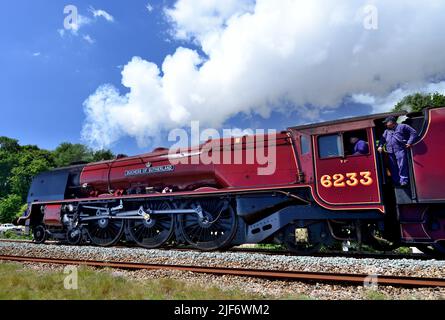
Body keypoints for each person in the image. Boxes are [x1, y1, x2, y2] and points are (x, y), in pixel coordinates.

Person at [377, 116, 418, 187]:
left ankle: (404, 181)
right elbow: (382, 139)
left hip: (400, 149)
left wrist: (409, 142)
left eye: (387, 122)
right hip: (390, 151)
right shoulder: (386, 131)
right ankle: (396, 181)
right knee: (393, 167)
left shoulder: (403, 126)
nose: (386, 124)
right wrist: (380, 146)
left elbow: (413, 133)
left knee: (402, 165)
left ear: (392, 122)